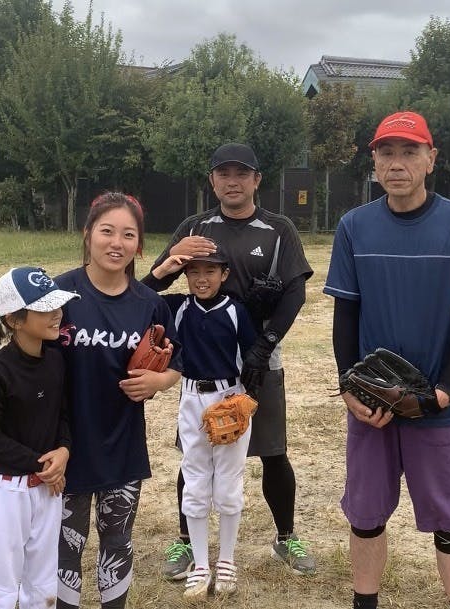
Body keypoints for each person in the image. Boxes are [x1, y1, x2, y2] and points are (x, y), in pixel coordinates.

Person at [0, 193, 183, 609]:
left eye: (129, 234)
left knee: (117, 542)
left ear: (139, 244)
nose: (117, 242)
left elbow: (178, 362)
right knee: (62, 550)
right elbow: (19, 351)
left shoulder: (149, 304)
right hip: (61, 449)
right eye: (107, 231)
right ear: (87, 234)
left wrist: (160, 380)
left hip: (120, 443)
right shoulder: (60, 294)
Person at [324, 111, 450, 609]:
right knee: (365, 514)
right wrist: (348, 388)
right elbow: (346, 314)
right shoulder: (354, 226)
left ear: (431, 159)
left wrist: (444, 389)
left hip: (437, 404)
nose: (396, 163)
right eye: (386, 153)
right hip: (372, 404)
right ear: (374, 162)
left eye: (409, 152)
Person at [147, 143, 317, 578]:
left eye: (242, 173)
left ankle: (286, 537)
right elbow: (154, 285)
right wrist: (173, 255)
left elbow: (295, 292)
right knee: (195, 455)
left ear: (257, 180)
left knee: (273, 451)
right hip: (204, 363)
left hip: (260, 359)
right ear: (212, 180)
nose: (232, 181)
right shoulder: (194, 227)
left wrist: (266, 343)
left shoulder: (277, 229)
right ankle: (186, 541)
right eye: (223, 173)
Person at [145, 248, 258, 598]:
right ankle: (200, 563)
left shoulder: (236, 310)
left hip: (229, 396)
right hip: (192, 396)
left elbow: (253, 357)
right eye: (194, 271)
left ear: (225, 274)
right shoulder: (178, 306)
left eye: (211, 271)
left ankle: (226, 560)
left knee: (228, 481)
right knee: (194, 479)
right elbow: (141, 296)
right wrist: (166, 267)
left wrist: (248, 400)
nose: (202, 278)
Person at [0, 266, 76, 609]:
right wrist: (42, 464)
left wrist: (64, 450)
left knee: (43, 586)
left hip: (48, 490)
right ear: (14, 320)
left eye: (57, 305)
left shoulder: (56, 361)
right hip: (8, 492)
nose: (56, 314)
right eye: (44, 308)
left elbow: (62, 415)